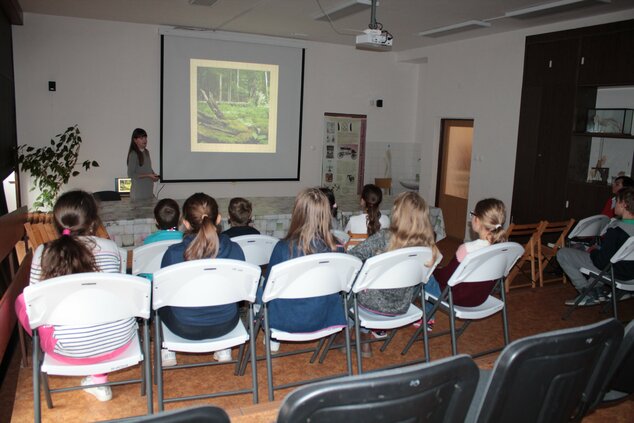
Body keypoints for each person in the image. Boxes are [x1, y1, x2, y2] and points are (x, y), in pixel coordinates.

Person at [15, 190, 133, 402]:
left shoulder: (43, 252)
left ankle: (95, 376)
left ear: (57, 222)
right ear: (93, 221)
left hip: (67, 348)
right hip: (119, 340)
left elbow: (35, 307)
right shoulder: (111, 248)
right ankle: (99, 378)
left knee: (23, 301)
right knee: (100, 307)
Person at [348, 191, 440, 355]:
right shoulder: (428, 248)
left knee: (349, 278)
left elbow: (353, 256)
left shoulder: (384, 237)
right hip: (401, 306)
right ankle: (362, 334)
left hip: (370, 305)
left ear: (397, 214)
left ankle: (355, 332)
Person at [160, 193, 245, 363]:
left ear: (185, 223)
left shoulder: (173, 254)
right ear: (219, 219)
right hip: (227, 323)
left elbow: (163, 295)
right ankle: (223, 347)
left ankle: (168, 350)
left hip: (184, 327)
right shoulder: (235, 249)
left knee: (157, 299)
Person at [262, 188, 347, 346]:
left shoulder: (282, 248)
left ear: (297, 213)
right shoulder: (339, 248)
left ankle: (273, 339)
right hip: (325, 317)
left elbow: (269, 290)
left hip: (286, 321)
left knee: (262, 288)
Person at [424, 199, 507, 321]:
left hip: (457, 297)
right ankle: (428, 319)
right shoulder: (503, 250)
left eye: (472, 214)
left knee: (425, 275)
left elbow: (446, 278)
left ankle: (426, 319)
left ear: (477, 220)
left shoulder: (467, 250)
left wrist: (433, 270)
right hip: (480, 297)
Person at [559, 187, 634, 306]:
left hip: (617, 273)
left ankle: (586, 292)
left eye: (617, 202)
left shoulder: (616, 229)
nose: (614, 205)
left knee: (563, 253)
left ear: (624, 204)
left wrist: (593, 251)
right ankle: (597, 290)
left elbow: (601, 262)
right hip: (631, 277)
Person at [126, 128, 159, 201]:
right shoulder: (133, 154)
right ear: (135, 140)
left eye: (145, 137)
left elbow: (148, 168)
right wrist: (148, 175)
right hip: (138, 195)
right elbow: (131, 174)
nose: (145, 140)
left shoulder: (146, 152)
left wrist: (154, 176)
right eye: (141, 138)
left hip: (149, 193)